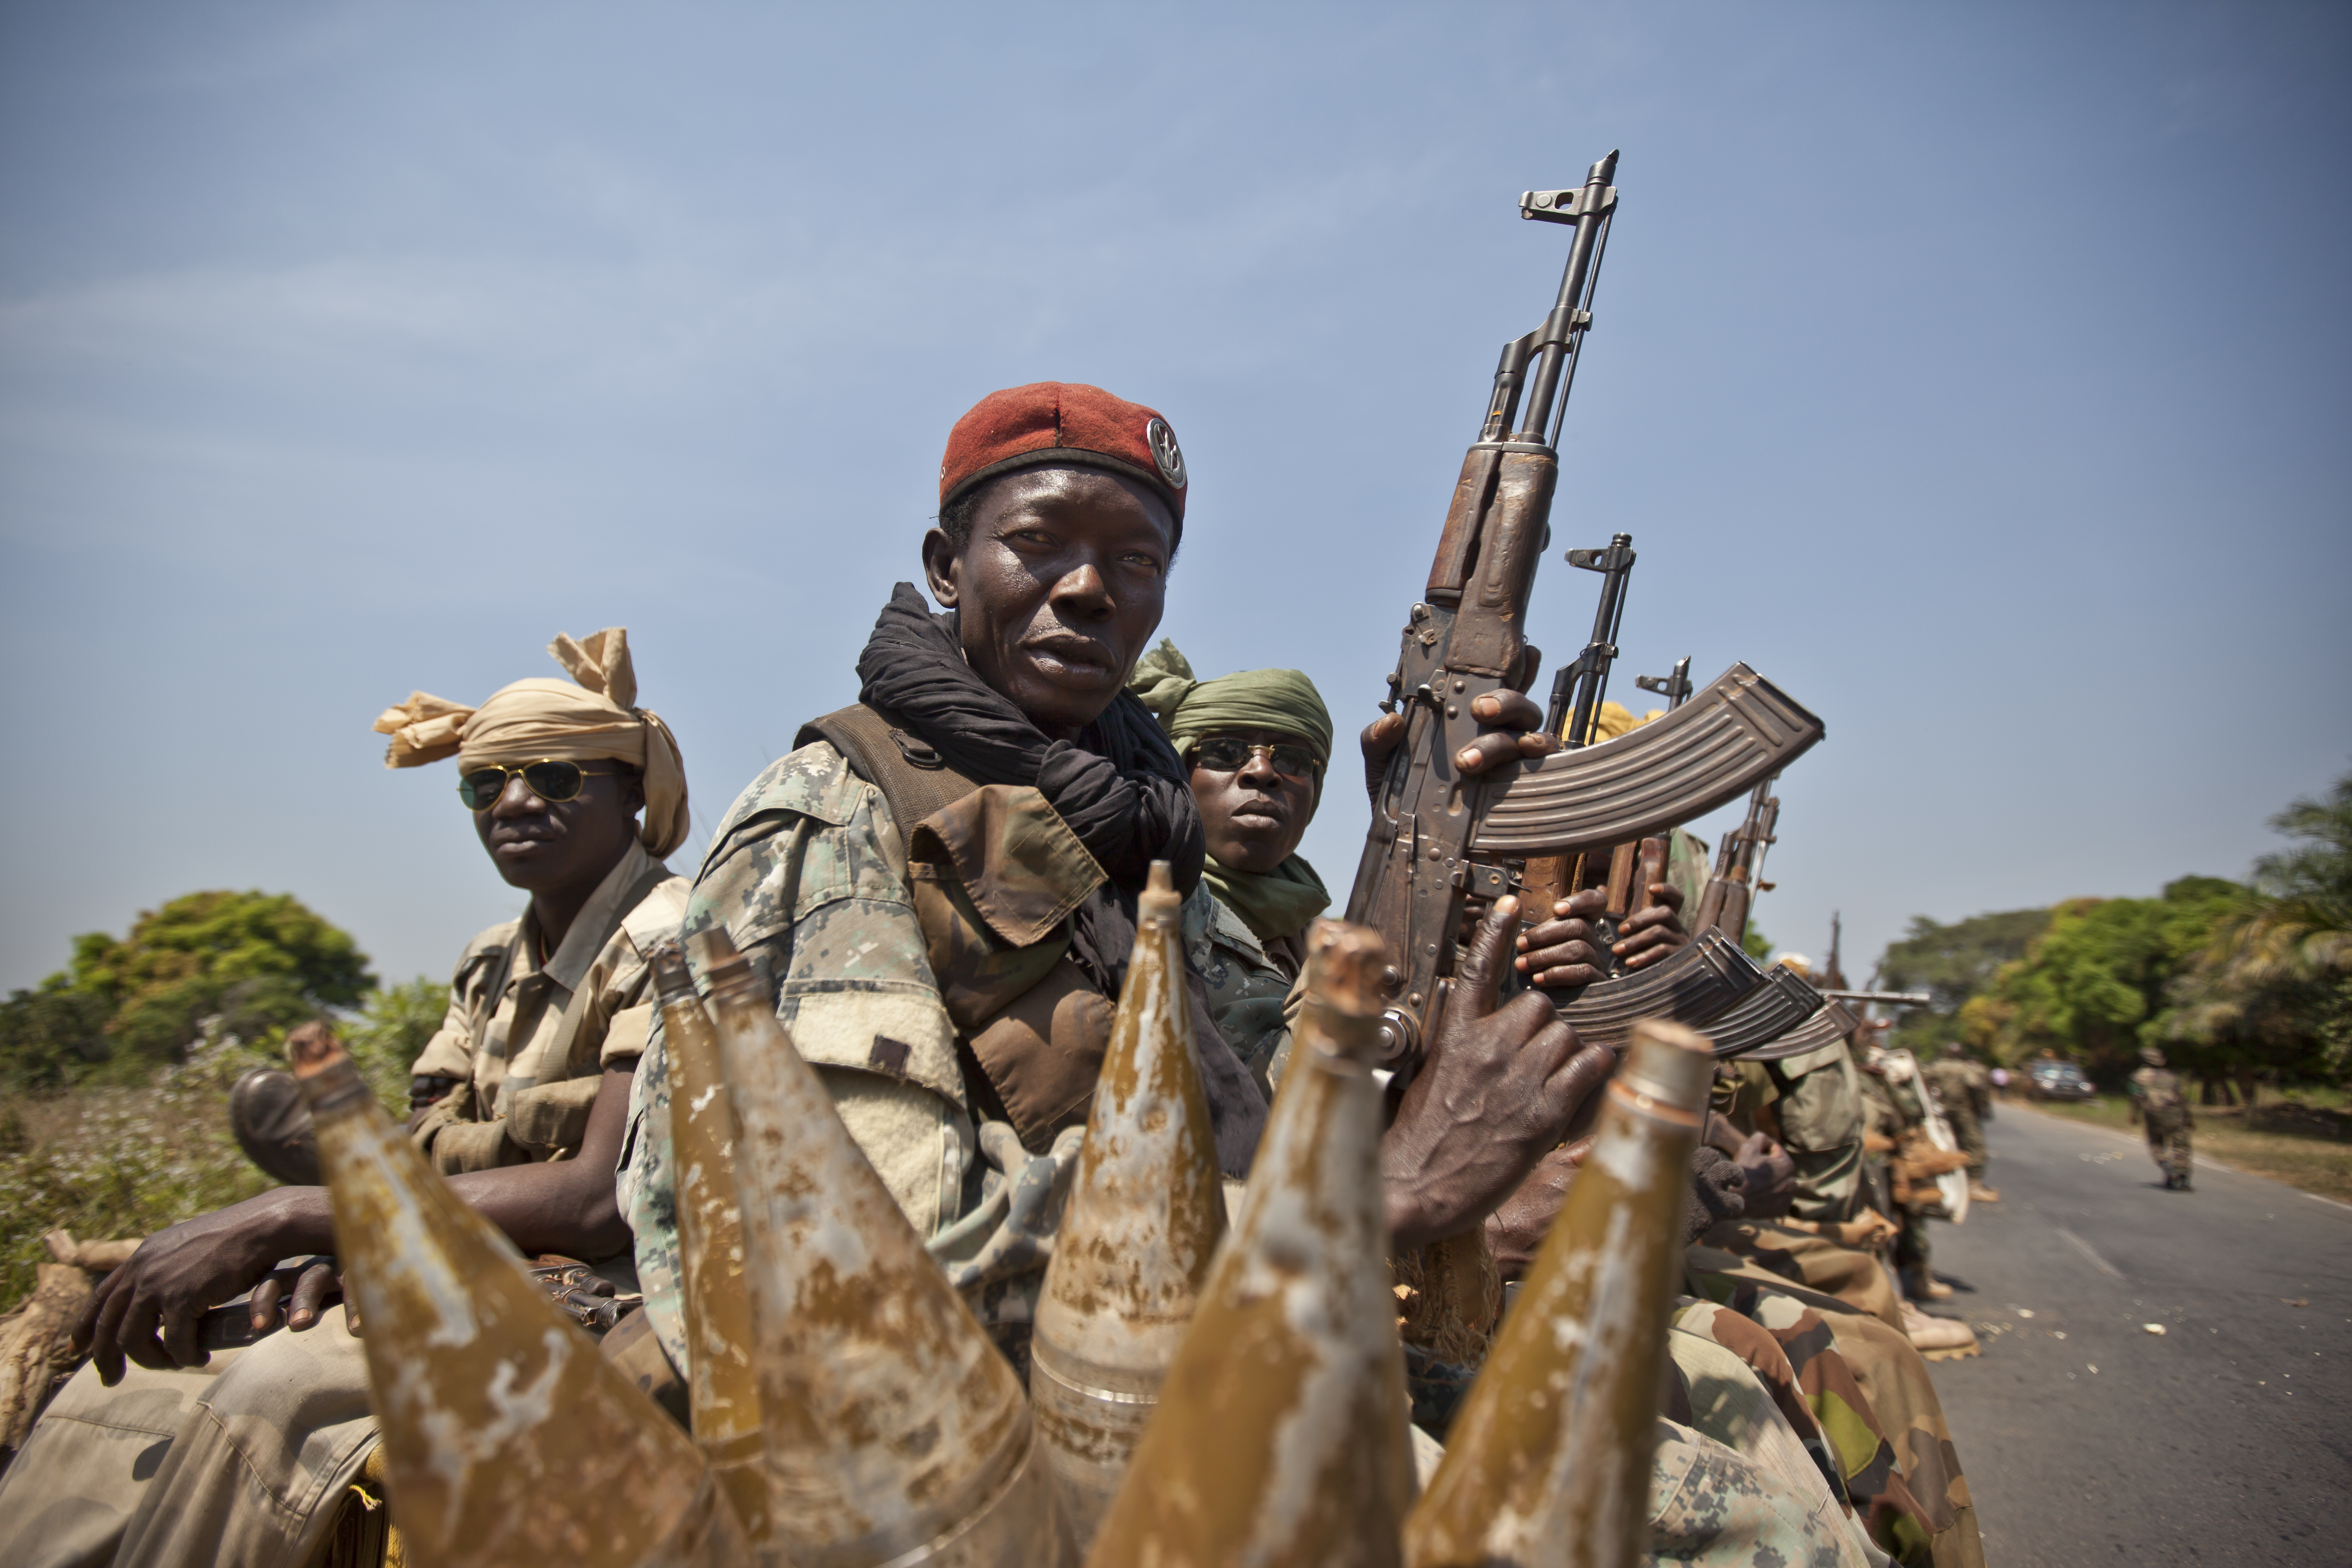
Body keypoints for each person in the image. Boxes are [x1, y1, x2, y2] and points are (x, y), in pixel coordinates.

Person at [620, 382, 1618, 1383]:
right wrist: (1370, 1206)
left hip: (1203, 1350)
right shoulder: (846, 812)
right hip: (978, 1428)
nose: (1091, 588)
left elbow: (1256, 1120)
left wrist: (1407, 890)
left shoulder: (1134, 837)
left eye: (1136, 561)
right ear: (945, 568)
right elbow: (857, 1266)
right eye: (1038, 541)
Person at [0, 629, 692, 1568]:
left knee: (274, 1399)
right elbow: (429, 1137)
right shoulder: (491, 958)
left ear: (629, 791)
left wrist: (294, 1216)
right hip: (468, 1250)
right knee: (125, 1387)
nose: (513, 802)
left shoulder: (673, 932)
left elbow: (595, 1200)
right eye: (484, 785)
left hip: (607, 1283)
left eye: (556, 778)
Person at [1126, 639, 1333, 1093]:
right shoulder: (1139, 908)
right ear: (1180, 769)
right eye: (1224, 752)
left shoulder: (1319, 936)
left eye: (1293, 759)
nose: (1262, 771)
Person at [1921, 1041, 1997, 1203]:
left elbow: (1923, 1079)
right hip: (1964, 1110)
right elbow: (1976, 1085)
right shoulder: (1966, 1068)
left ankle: (1939, 1181)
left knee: (1945, 1143)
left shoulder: (1938, 1066)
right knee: (1975, 1146)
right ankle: (1973, 1183)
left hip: (1943, 1110)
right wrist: (1982, 1108)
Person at [2129, 1044, 2194, 1190]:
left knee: (2157, 1145)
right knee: (2181, 1147)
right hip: (2176, 1115)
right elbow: (2182, 1099)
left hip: (2154, 1116)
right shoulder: (2172, 1077)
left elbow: (2136, 1098)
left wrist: (2134, 1116)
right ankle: (2183, 1179)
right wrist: (2189, 1119)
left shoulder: (2138, 1077)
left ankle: (2168, 1169)